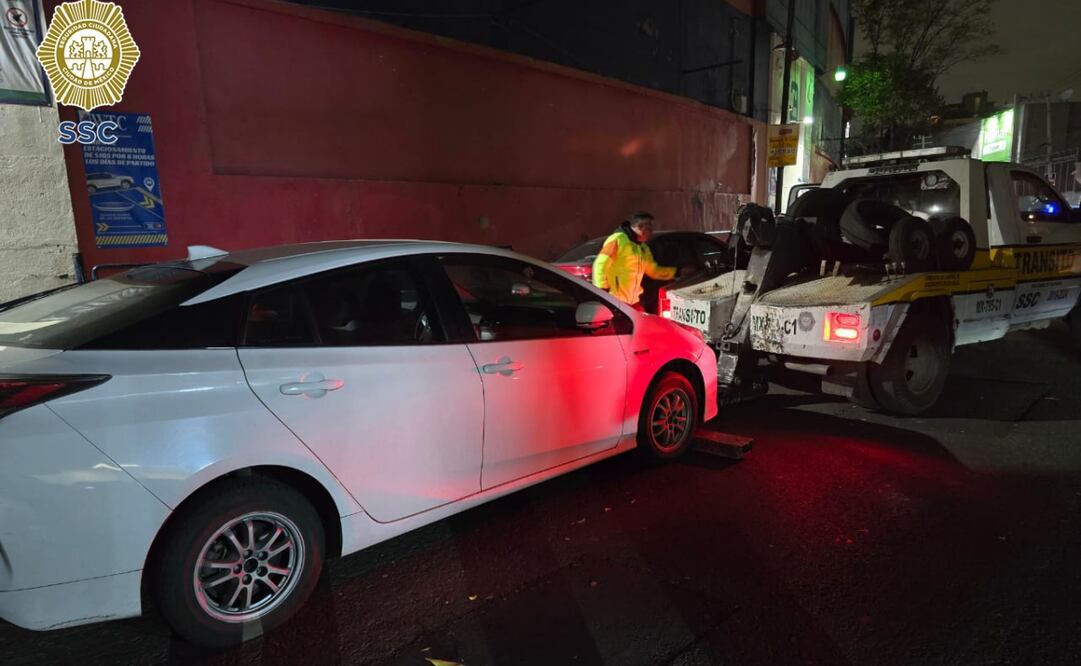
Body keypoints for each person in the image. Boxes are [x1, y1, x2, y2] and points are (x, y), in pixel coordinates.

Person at [592, 211, 679, 310]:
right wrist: (603, 292)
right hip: (615, 302)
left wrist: (677, 272)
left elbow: (653, 271)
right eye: (649, 228)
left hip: (633, 302)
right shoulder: (618, 239)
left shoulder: (642, 248)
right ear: (640, 226)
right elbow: (600, 263)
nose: (651, 232)